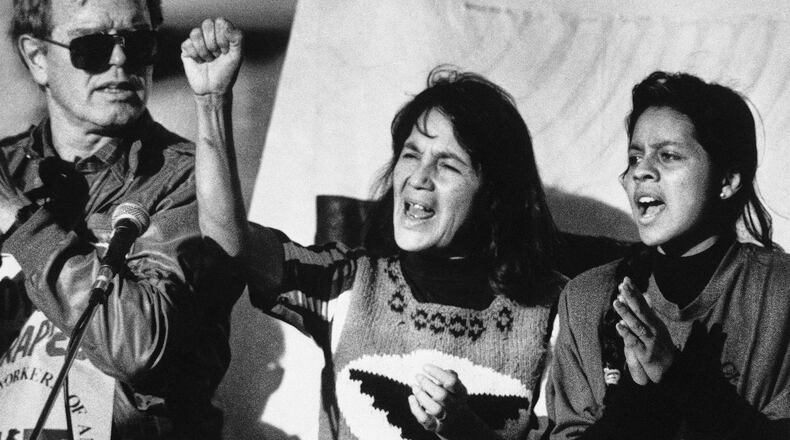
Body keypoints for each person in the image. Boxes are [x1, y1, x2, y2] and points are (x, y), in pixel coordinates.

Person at [183, 19, 565, 440]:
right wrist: (213, 100)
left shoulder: (554, 314)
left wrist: (464, 431)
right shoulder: (349, 283)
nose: (418, 177)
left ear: (496, 195)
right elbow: (227, 240)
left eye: (448, 164)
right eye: (410, 154)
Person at [1, 1, 241, 438]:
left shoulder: (190, 178)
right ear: (37, 57)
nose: (120, 60)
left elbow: (141, 348)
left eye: (138, 42)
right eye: (91, 47)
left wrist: (20, 223)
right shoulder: (7, 169)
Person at [548, 71, 790, 439]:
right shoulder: (586, 300)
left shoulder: (779, 294)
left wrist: (679, 379)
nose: (641, 171)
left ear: (727, 181)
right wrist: (637, 401)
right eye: (635, 156)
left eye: (669, 155)